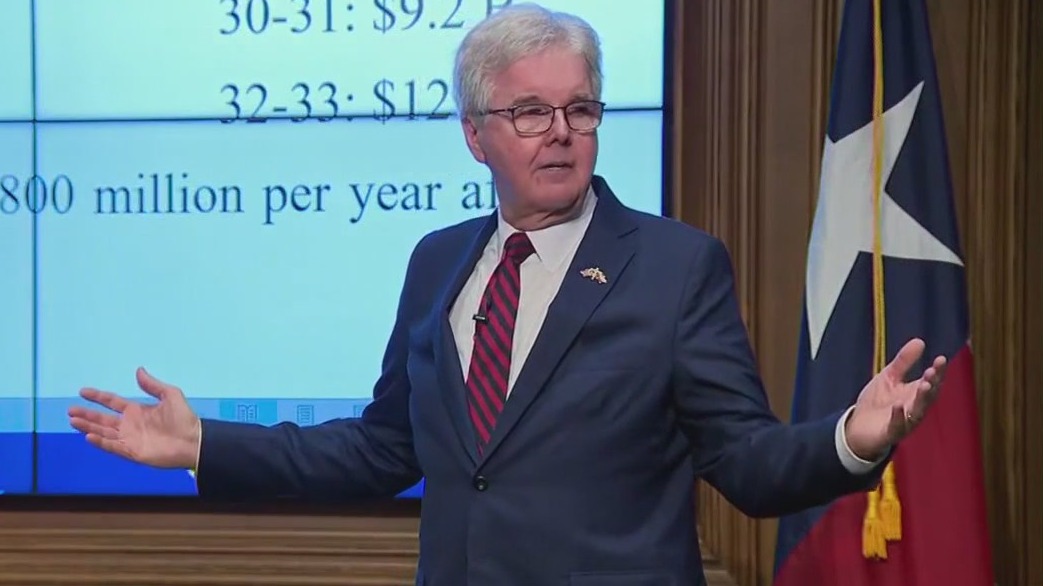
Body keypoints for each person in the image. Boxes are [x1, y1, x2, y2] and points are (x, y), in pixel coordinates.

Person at [68, 4, 947, 585]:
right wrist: (203, 445)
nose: (560, 133)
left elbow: (744, 462)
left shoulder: (676, 266)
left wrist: (850, 439)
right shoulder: (437, 261)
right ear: (475, 136)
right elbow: (383, 449)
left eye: (580, 110)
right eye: (530, 112)